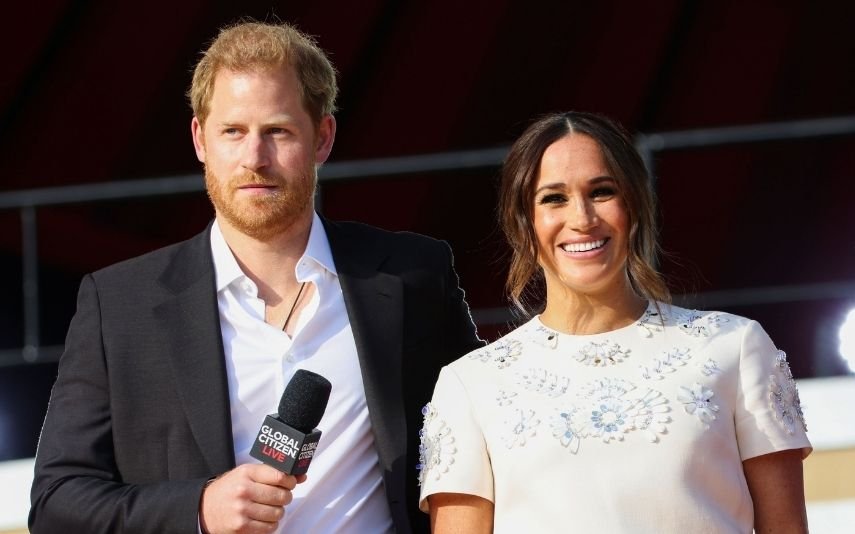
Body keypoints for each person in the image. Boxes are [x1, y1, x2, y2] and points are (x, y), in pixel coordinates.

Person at [29, 20, 482, 534]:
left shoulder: (413, 276)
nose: (254, 158)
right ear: (200, 139)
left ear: (323, 138)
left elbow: (482, 442)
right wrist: (198, 509)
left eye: (278, 131)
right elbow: (55, 502)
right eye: (233, 131)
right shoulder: (118, 305)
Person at [417, 111, 811, 533]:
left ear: (635, 206)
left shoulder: (734, 347)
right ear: (523, 224)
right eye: (554, 198)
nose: (583, 218)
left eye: (601, 191)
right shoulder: (471, 385)